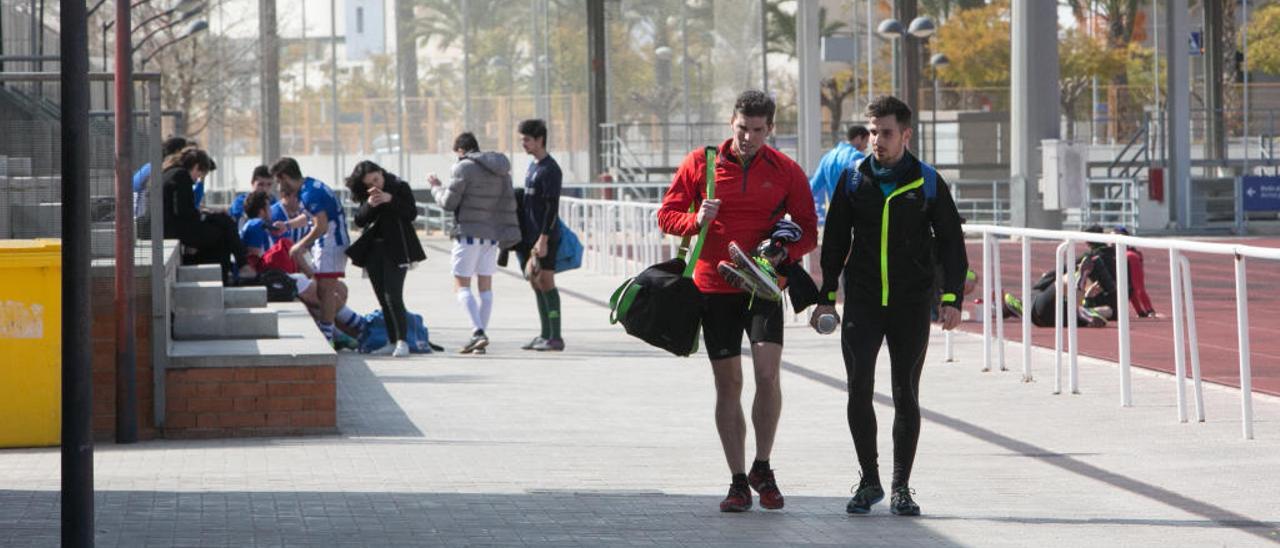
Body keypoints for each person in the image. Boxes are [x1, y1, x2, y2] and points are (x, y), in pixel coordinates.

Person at [657, 90, 818, 513]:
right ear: (732, 122)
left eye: (758, 130)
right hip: (713, 289)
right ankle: (737, 481)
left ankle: (763, 465)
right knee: (728, 384)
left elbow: (808, 228)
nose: (748, 137)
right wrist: (695, 220)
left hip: (762, 286)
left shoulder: (786, 170)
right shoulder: (700, 163)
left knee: (768, 375)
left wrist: (784, 250)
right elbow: (665, 216)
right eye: (742, 128)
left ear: (771, 129)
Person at [811, 95, 968, 517]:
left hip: (910, 303)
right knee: (858, 390)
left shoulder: (928, 182)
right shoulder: (852, 180)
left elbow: (953, 243)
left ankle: (901, 487)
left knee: (906, 394)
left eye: (886, 133)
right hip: (862, 302)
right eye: (873, 132)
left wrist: (950, 298)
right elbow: (836, 243)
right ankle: (869, 480)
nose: (877, 141)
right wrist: (827, 294)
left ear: (906, 135)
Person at [427, 134, 521, 354]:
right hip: (492, 235)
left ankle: (478, 332)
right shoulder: (500, 170)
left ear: (461, 150)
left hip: (468, 233)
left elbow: (448, 203)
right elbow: (507, 203)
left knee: (461, 284)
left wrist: (435, 187)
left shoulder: (463, 168)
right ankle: (479, 338)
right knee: (485, 287)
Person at [347, 160, 427, 358]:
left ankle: (402, 341)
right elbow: (359, 220)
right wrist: (369, 205)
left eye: (377, 179)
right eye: (370, 183)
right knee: (382, 297)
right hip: (374, 249)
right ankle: (392, 341)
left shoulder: (399, 186)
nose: (375, 185)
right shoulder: (369, 195)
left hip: (397, 248)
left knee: (393, 295)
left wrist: (390, 199)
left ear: (381, 173)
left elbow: (411, 214)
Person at [271, 157, 351, 348]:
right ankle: (331, 331)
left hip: (331, 242)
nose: (279, 186)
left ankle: (328, 335)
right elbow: (308, 217)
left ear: (284, 177)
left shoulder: (309, 194)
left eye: (279, 181)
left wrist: (301, 245)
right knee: (324, 289)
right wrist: (287, 225)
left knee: (326, 290)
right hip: (327, 243)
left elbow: (321, 225)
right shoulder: (309, 187)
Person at [162, 147, 253, 283]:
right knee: (225, 225)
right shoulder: (181, 176)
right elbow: (184, 213)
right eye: (199, 175)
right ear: (196, 167)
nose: (196, 181)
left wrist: (205, 214)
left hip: (172, 227)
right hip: (176, 229)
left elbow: (182, 209)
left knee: (222, 229)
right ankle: (240, 266)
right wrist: (205, 216)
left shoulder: (169, 172)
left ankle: (234, 271)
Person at [517, 119, 567, 352]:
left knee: (546, 281)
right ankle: (544, 333)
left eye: (527, 139)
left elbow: (551, 208)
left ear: (539, 140)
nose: (523, 143)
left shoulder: (550, 169)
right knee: (535, 282)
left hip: (545, 238)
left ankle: (555, 336)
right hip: (531, 237)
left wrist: (543, 238)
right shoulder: (533, 167)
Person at [810, 124, 869, 223]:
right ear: (859, 138)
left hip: (833, 217)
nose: (866, 146)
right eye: (866, 141)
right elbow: (861, 188)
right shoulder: (856, 157)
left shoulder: (827, 157)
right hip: (851, 217)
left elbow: (812, 188)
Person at [135, 136, 192, 221]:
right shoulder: (152, 167)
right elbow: (133, 186)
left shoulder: (182, 171)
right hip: (147, 217)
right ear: (177, 151)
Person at [1112, 226, 1157, 317]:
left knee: (1135, 286)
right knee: (1131, 287)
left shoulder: (1129, 252)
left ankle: (1148, 310)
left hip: (1131, 259)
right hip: (1129, 257)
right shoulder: (1123, 249)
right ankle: (1142, 311)